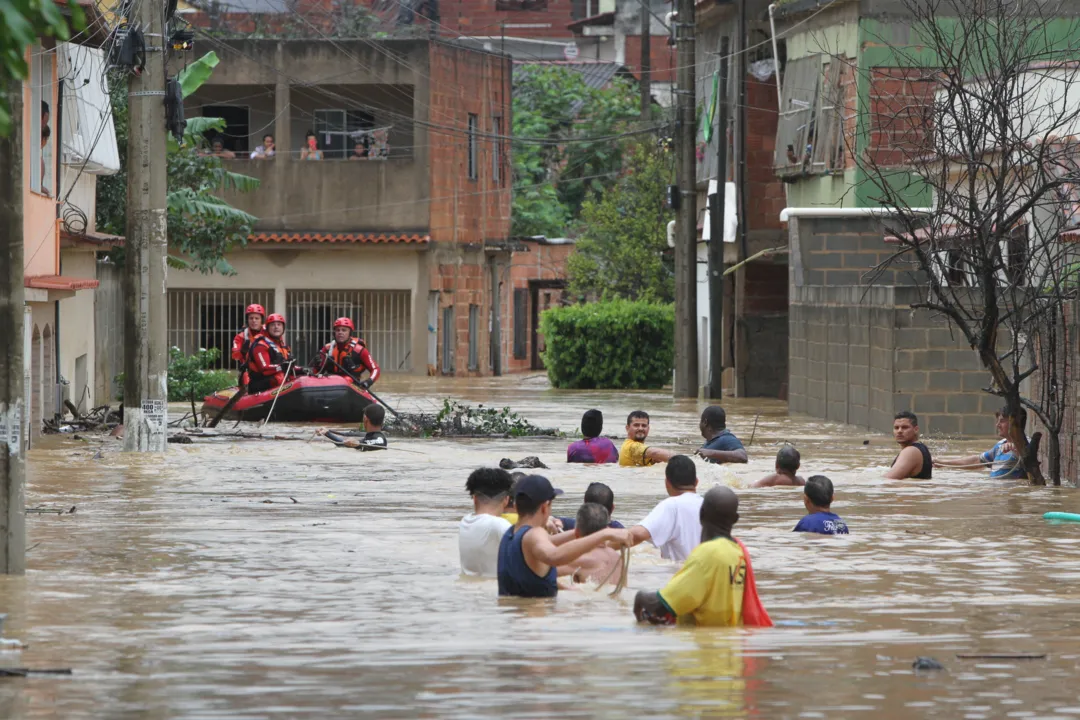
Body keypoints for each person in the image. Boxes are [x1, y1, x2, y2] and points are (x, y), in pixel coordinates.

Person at [633, 486, 772, 627]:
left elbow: (663, 604)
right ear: (735, 519)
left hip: (705, 646)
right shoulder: (738, 552)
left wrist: (641, 598)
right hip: (731, 643)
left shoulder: (706, 554)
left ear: (701, 514)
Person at [497, 475, 632, 598]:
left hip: (514, 617)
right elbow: (554, 556)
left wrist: (566, 588)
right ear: (545, 507)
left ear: (515, 505)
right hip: (535, 618)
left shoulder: (510, 534)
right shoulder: (535, 534)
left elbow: (533, 575)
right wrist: (604, 534)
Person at [627, 455, 703, 563]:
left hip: (681, 576)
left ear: (667, 483)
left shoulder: (672, 505)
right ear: (696, 482)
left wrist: (601, 545)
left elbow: (638, 534)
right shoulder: (710, 505)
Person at [933, 407, 1027, 479]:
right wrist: (943, 463)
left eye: (1002, 421)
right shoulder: (1000, 445)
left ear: (1014, 423)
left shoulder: (1027, 445)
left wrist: (1017, 451)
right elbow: (976, 461)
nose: (997, 425)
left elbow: (1030, 465)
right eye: (997, 421)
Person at [457, 468, 513, 577]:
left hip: (468, 589)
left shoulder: (465, 521)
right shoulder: (499, 524)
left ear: (474, 498)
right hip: (494, 590)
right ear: (506, 500)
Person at [566, 503, 624, 588]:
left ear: (577, 534)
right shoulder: (619, 557)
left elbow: (544, 573)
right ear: (607, 529)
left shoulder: (580, 560)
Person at [312, 317, 381, 388]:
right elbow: (316, 372)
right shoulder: (327, 349)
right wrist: (317, 366)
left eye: (344, 330)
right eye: (337, 330)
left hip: (351, 386)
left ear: (350, 333)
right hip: (330, 383)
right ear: (334, 333)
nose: (340, 333)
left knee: (347, 380)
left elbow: (375, 369)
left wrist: (368, 382)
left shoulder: (360, 350)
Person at [247, 313, 294, 393]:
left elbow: (288, 366)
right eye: (273, 325)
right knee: (279, 377)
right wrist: (281, 367)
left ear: (283, 327)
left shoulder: (283, 346)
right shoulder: (261, 345)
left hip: (278, 385)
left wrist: (302, 369)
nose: (276, 327)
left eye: (279, 324)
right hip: (260, 384)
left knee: (297, 376)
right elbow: (264, 369)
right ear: (267, 328)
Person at [554, 482, 624, 531]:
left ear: (584, 505)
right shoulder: (619, 530)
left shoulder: (571, 525)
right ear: (612, 508)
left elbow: (550, 520)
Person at [316, 404, 388, 451]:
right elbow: (345, 437)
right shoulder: (373, 436)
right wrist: (327, 431)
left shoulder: (379, 439)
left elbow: (341, 443)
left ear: (365, 419)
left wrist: (357, 444)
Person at [885, 411, 933, 479]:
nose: (899, 431)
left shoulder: (910, 451)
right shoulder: (921, 447)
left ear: (916, 429)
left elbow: (889, 480)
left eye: (905, 427)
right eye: (896, 428)